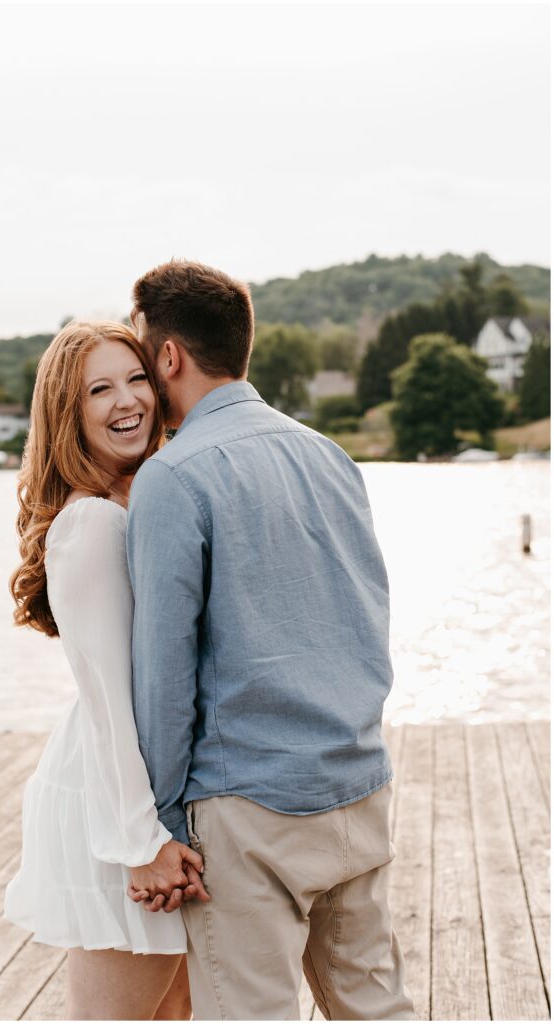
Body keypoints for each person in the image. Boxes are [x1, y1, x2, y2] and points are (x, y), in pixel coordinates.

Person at [125, 261, 415, 1021]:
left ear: (167, 357)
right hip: (357, 783)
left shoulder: (173, 475)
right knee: (376, 1010)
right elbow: (366, 615)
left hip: (247, 809)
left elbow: (162, 671)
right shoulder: (329, 455)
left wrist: (157, 824)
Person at [3, 320, 209, 1021]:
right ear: (69, 412)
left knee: (173, 1012)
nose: (128, 402)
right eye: (100, 389)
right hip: (112, 801)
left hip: (140, 795)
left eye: (136, 379)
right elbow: (106, 698)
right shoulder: (90, 525)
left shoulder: (146, 498)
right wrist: (139, 840)